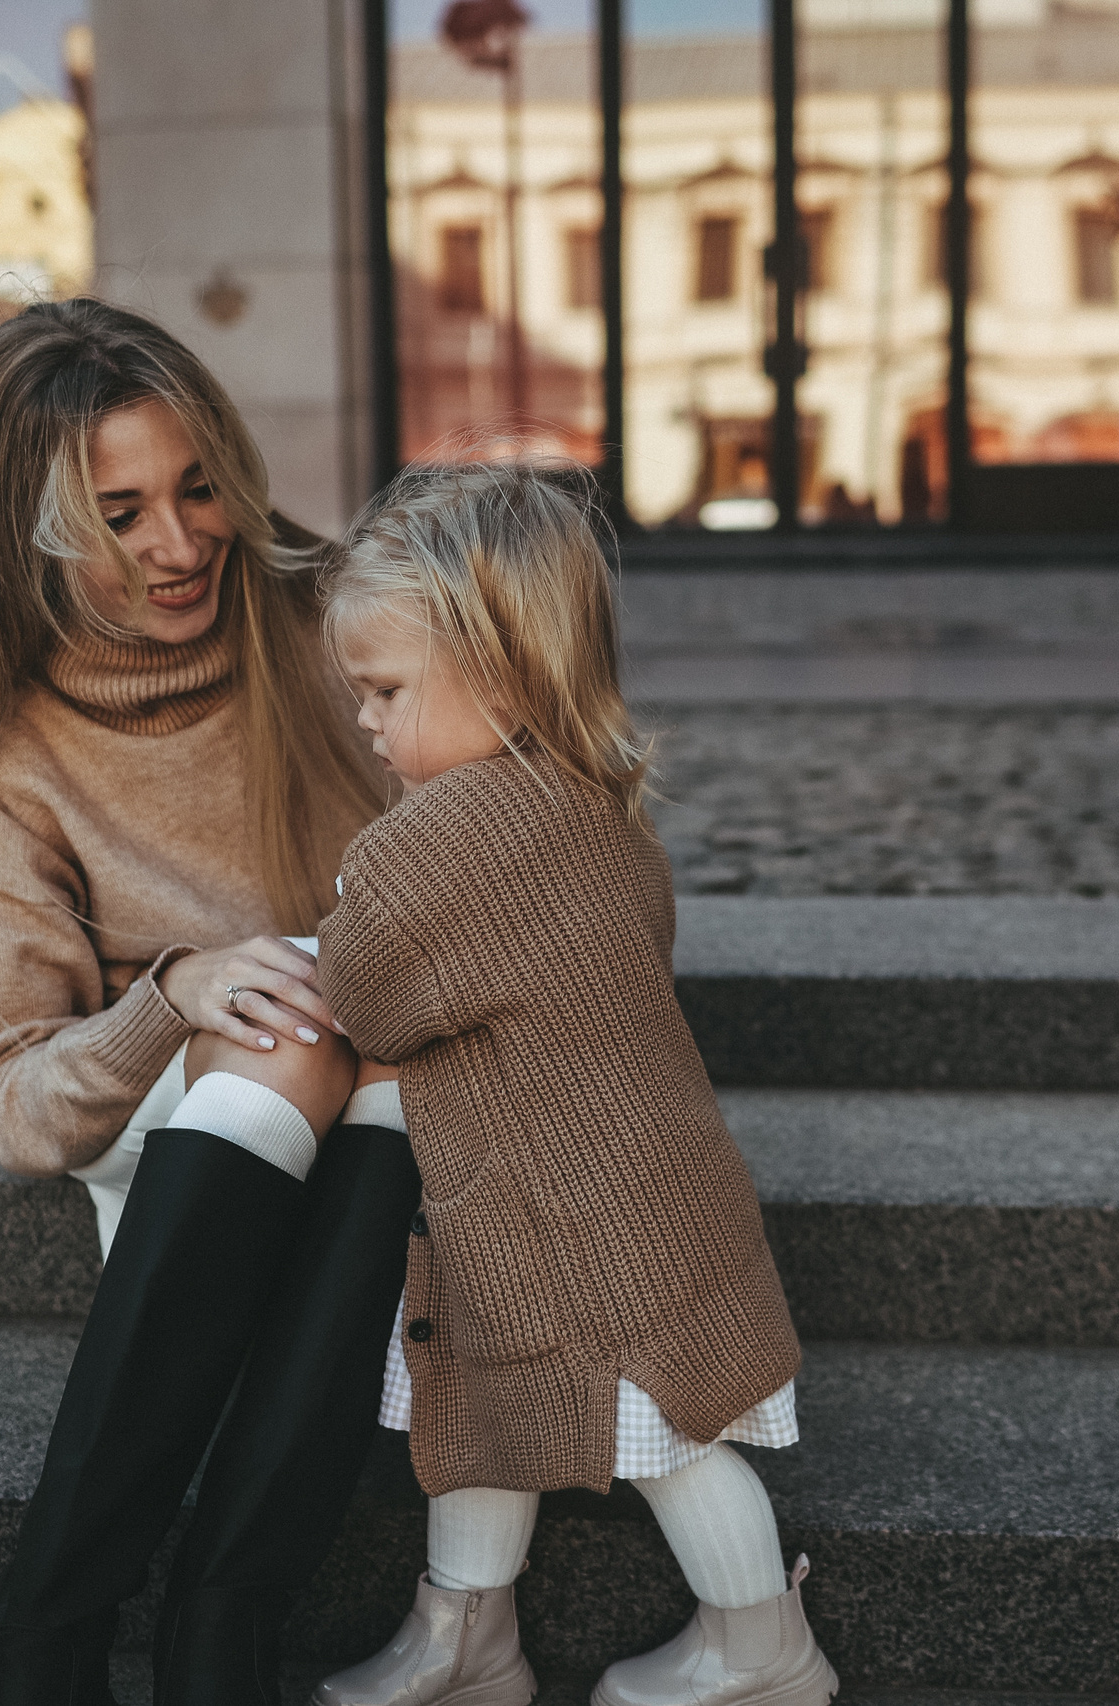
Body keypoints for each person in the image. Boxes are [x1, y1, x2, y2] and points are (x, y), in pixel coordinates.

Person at [0, 297, 415, 1706]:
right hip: (171, 1103)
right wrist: (170, 996)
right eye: (119, 515)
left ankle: (182, 1633)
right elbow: (11, 1101)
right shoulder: (9, 756)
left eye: (196, 489)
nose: (181, 545)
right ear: (28, 531)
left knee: (364, 1053)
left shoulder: (323, 618)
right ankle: (81, 1624)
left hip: (381, 1066)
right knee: (301, 1035)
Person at [310, 461, 838, 1706]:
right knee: (490, 1407)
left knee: (670, 1441)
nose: (368, 724)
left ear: (496, 665)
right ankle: (464, 1636)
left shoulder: (443, 837)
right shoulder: (596, 808)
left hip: (589, 1236)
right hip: (588, 1209)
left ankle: (761, 1646)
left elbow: (370, 995)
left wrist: (336, 923)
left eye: (384, 690)